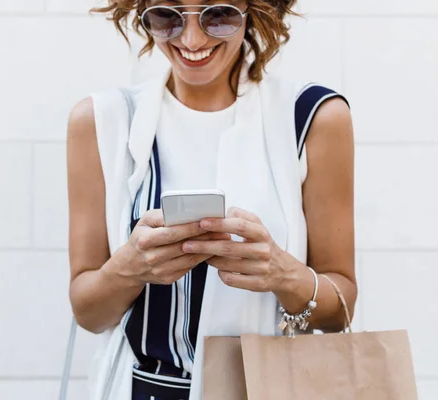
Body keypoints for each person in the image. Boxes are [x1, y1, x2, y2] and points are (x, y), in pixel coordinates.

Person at [66, 0, 357, 398]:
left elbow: (340, 310)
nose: (191, 39)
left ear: (253, 9)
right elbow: (88, 313)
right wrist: (129, 269)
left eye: (217, 15)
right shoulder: (104, 120)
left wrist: (282, 273)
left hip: (261, 388)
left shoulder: (310, 118)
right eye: (167, 16)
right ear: (144, 13)